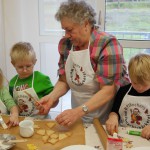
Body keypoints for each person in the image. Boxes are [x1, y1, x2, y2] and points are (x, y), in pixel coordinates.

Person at [38, 0, 129, 125]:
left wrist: (78, 111)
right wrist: (52, 97)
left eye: (69, 30)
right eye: (64, 30)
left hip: (107, 118)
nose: (66, 35)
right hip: (80, 115)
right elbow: (64, 80)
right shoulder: (66, 45)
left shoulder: (107, 44)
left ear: (86, 24)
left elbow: (108, 90)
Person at [106, 53, 150, 140]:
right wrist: (113, 117)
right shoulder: (123, 90)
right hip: (124, 136)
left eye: (144, 84)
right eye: (135, 83)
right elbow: (115, 111)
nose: (139, 87)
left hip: (146, 138)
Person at [9, 42, 54, 118]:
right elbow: (11, 102)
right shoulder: (12, 82)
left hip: (41, 120)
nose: (25, 70)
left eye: (28, 66)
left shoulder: (42, 79)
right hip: (22, 121)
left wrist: (46, 105)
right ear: (13, 64)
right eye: (20, 67)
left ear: (34, 62)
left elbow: (54, 100)